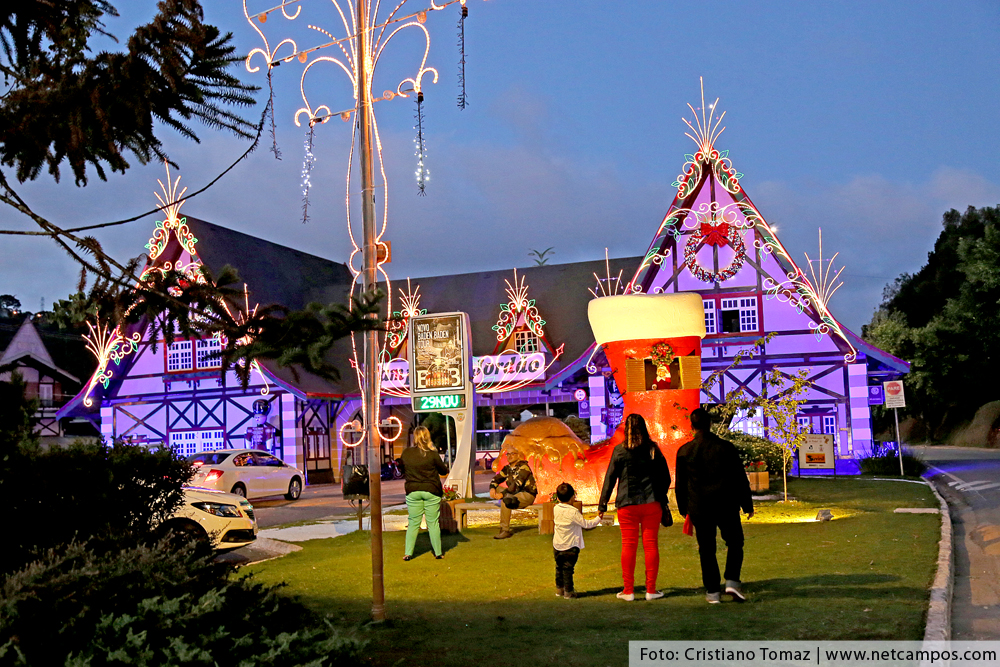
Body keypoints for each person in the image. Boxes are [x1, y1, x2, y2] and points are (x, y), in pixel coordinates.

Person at [675, 407, 754, 603]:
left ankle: (712, 591)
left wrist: (684, 508)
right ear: (710, 423)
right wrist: (747, 504)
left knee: (706, 548)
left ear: (692, 426)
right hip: (726, 503)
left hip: (700, 506)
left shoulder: (684, 451)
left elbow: (680, 485)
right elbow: (739, 477)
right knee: (735, 542)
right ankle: (732, 580)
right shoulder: (725, 448)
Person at [598, 413, 671, 601]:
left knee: (628, 546)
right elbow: (666, 477)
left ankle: (628, 590)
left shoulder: (619, 451)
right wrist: (660, 496)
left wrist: (603, 504)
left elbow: (610, 478)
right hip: (651, 503)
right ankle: (651, 590)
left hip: (627, 504)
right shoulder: (653, 449)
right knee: (651, 545)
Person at [400, 426, 449, 561]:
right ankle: (438, 553)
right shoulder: (432, 454)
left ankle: (408, 553)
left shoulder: (406, 453)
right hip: (431, 490)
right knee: (432, 522)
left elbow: (402, 468)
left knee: (413, 522)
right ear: (427, 437)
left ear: (414, 437)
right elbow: (443, 471)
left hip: (413, 490)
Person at [552, 482, 602, 599]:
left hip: (557, 545)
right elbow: (586, 524)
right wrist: (598, 518)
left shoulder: (556, 509)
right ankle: (569, 592)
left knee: (559, 567)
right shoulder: (573, 512)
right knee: (568, 569)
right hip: (570, 545)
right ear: (572, 496)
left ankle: (560, 589)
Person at [488, 444, 537, 539]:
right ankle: (507, 498)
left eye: (512, 454)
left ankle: (504, 530)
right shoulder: (507, 469)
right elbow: (496, 479)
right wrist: (492, 488)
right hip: (513, 493)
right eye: (508, 454)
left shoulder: (523, 467)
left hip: (526, 494)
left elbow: (517, 485)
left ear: (518, 455)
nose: (510, 456)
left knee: (506, 501)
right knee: (502, 493)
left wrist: (502, 494)